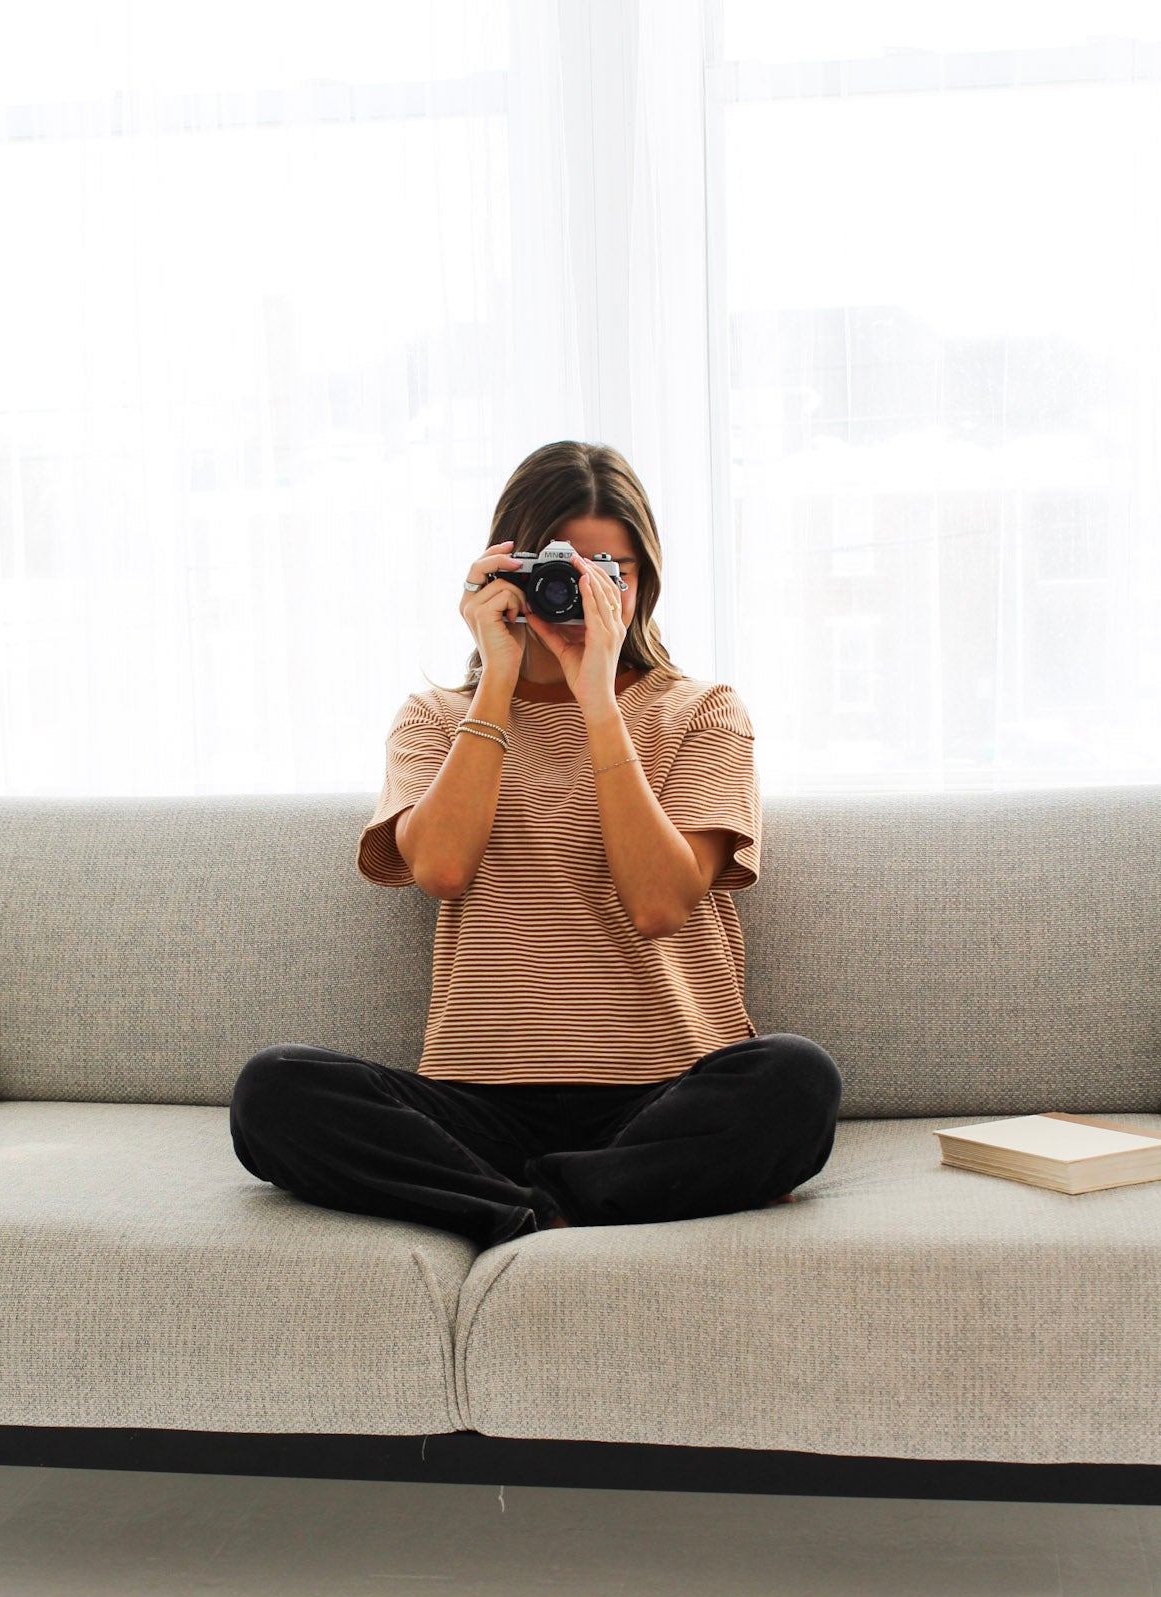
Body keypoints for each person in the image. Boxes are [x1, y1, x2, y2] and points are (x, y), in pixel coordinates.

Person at [229, 439, 842, 1251]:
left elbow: (659, 905)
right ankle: (565, 1206)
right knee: (274, 1090)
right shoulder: (434, 719)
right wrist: (496, 678)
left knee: (795, 1080)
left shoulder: (700, 711)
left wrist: (598, 700)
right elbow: (441, 869)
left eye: (607, 572)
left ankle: (511, 1210)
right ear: (505, 572)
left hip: (660, 1093)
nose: (578, 593)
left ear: (644, 582)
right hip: (477, 1102)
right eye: (559, 570)